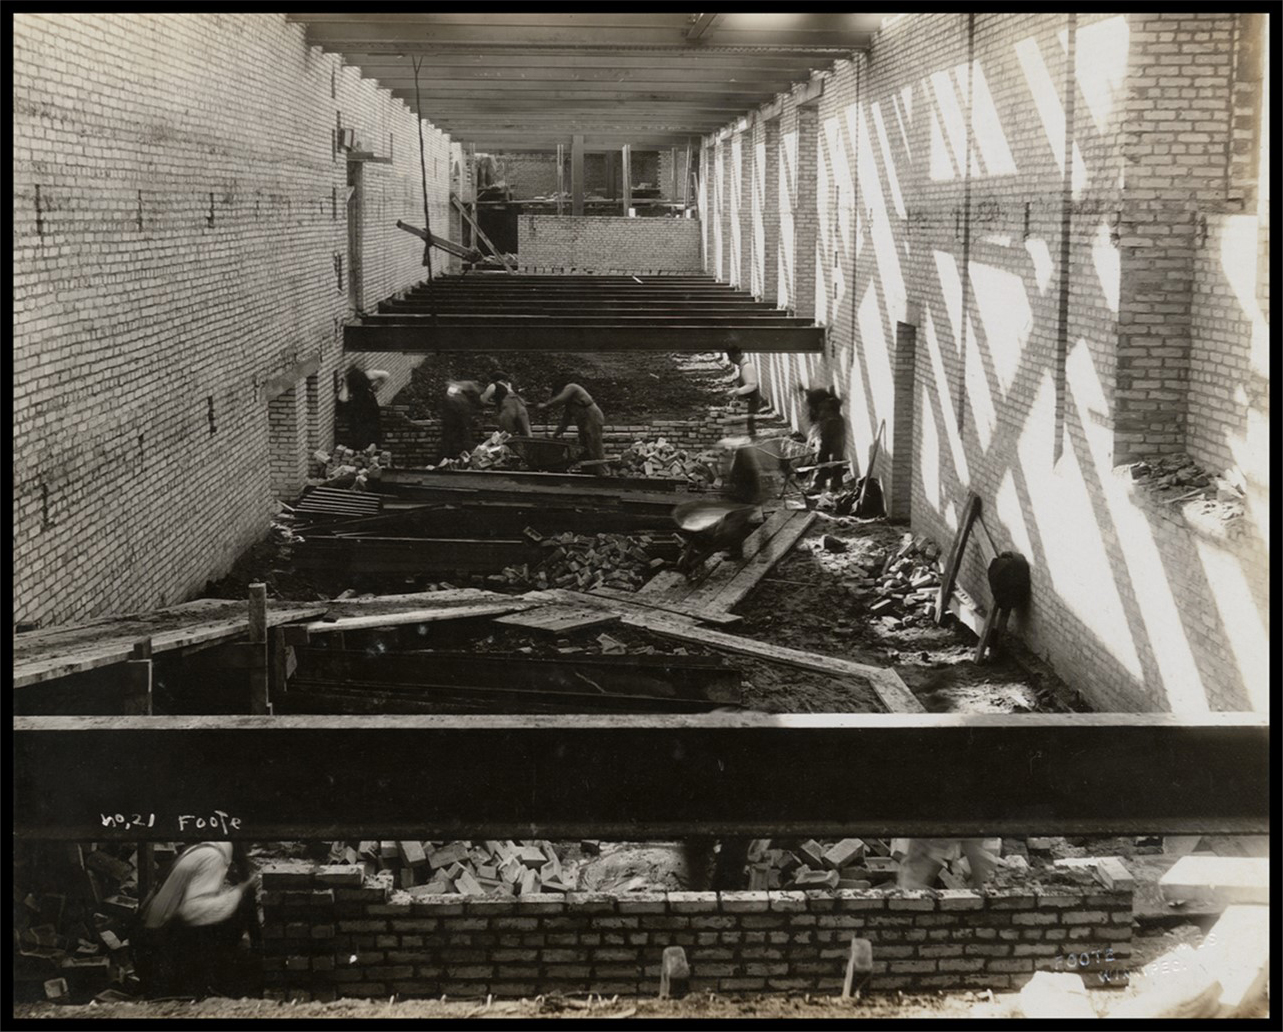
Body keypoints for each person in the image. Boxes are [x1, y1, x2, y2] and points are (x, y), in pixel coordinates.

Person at [134, 841, 260, 998]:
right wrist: (238, 894)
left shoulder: (202, 849)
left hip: (152, 935)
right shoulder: (213, 857)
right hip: (160, 943)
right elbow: (193, 910)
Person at [535, 382, 606, 473]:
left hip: (592, 416)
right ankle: (588, 471)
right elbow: (564, 423)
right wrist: (555, 435)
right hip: (584, 422)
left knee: (594, 444)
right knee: (584, 446)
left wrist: (546, 405)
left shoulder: (572, 387)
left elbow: (560, 400)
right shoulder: (570, 405)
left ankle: (602, 472)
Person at [339, 366, 389, 450]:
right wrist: (377, 384)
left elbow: (342, 399)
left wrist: (345, 384)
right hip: (371, 415)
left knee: (362, 441)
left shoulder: (354, 389)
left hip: (361, 417)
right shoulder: (367, 377)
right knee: (373, 440)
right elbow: (386, 375)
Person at [439, 378, 484, 460]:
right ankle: (464, 457)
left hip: (451, 415)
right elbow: (478, 403)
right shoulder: (468, 388)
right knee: (464, 436)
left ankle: (446, 458)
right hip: (459, 414)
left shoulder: (455, 388)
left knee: (449, 438)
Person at [726, 348, 761, 437]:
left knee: (748, 427)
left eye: (731, 357)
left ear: (737, 356)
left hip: (751, 402)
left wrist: (736, 392)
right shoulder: (744, 367)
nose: (731, 360)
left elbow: (752, 385)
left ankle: (752, 444)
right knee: (746, 426)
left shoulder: (747, 367)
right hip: (747, 402)